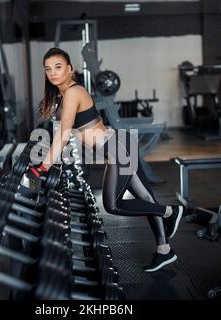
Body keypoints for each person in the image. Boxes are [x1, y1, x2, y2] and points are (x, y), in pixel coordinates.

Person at [27, 47, 184, 272]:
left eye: (58, 67)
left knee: (113, 205)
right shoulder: (64, 95)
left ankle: (171, 212)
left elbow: (64, 133)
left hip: (117, 150)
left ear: (70, 69)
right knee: (146, 198)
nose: (52, 72)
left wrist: (43, 167)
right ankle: (164, 250)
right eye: (48, 69)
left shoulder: (73, 91)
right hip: (119, 146)